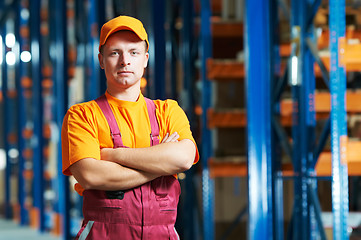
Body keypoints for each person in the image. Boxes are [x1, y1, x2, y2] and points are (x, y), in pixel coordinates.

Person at [61, 15, 199, 239]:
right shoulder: (82, 115)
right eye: (115, 52)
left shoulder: (168, 111)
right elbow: (90, 176)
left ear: (145, 59)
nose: (125, 61)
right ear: (101, 60)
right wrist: (161, 165)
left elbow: (183, 159)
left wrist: (114, 155)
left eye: (133, 52)